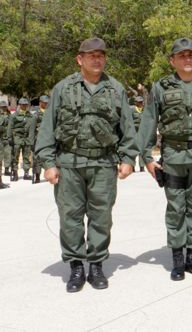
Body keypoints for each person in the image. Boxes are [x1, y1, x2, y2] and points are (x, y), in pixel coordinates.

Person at [34, 37, 138, 292]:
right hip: (69, 162)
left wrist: (128, 158)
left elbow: (127, 127)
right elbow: (48, 129)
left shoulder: (115, 89)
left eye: (101, 55)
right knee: (70, 217)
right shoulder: (63, 88)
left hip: (103, 163)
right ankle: (76, 266)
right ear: (80, 59)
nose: (97, 59)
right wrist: (48, 162)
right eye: (91, 55)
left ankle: (97, 265)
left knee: (101, 217)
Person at [138, 38, 192, 281]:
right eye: (181, 55)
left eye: (191, 55)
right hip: (173, 157)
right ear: (172, 60)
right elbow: (149, 121)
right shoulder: (161, 88)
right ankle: (177, 259)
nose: (187, 59)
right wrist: (146, 157)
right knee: (176, 208)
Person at [6, 97, 35, 181]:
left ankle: (26, 173)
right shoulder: (14, 115)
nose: (24, 106)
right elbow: (10, 127)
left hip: (27, 139)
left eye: (26, 104)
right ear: (19, 105)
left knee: (26, 156)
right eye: (22, 104)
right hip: (17, 138)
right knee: (15, 156)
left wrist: (32, 141)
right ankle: (15, 173)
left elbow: (32, 130)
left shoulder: (31, 116)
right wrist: (9, 137)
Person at [31, 95, 50, 183]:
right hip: (39, 139)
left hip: (50, 139)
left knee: (50, 157)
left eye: (47, 103)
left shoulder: (51, 113)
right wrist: (31, 142)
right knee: (37, 158)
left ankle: (49, 174)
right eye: (44, 103)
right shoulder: (36, 115)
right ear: (40, 103)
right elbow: (32, 129)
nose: (46, 104)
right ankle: (37, 175)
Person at [130, 96, 145, 172]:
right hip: (133, 133)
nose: (141, 103)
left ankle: (142, 167)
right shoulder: (131, 109)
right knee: (133, 150)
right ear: (135, 102)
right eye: (139, 102)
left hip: (142, 133)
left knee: (142, 150)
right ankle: (132, 166)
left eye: (142, 102)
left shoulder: (145, 110)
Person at [0, 101, 11, 181]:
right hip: (1, 137)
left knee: (8, 154)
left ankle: (7, 169)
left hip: (7, 138)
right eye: (2, 107)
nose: (3, 108)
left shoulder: (9, 115)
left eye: (4, 107)